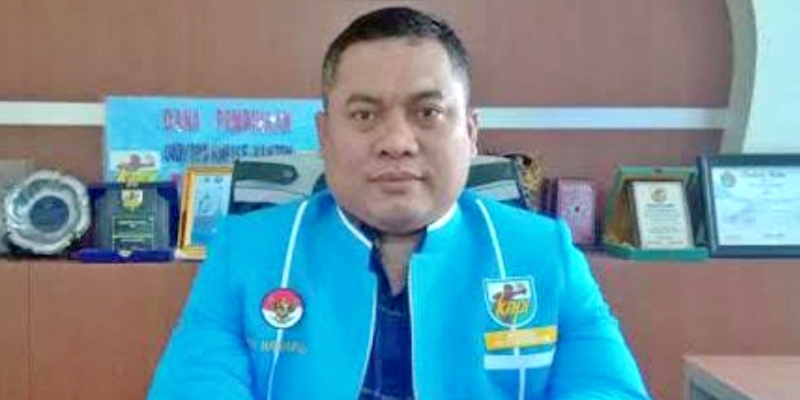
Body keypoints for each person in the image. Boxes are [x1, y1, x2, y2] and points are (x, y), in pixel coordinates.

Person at [148, 6, 650, 400]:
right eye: (364, 115)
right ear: (324, 136)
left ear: (471, 133)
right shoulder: (245, 251)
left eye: (427, 112)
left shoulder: (544, 252)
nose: (396, 142)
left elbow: (607, 389)